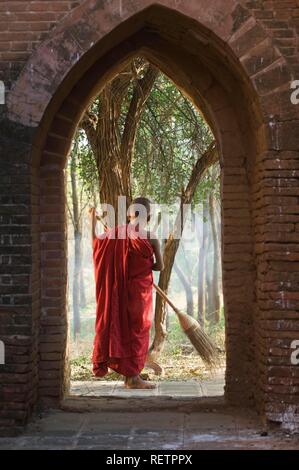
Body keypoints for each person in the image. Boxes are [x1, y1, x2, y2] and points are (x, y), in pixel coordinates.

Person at [89, 197, 164, 389]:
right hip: (139, 294)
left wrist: (91, 221)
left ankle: (131, 374)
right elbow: (160, 266)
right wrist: (146, 265)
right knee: (137, 331)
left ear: (130, 214)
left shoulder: (116, 235)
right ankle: (132, 378)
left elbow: (96, 243)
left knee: (123, 329)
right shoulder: (150, 236)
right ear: (148, 216)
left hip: (118, 294)